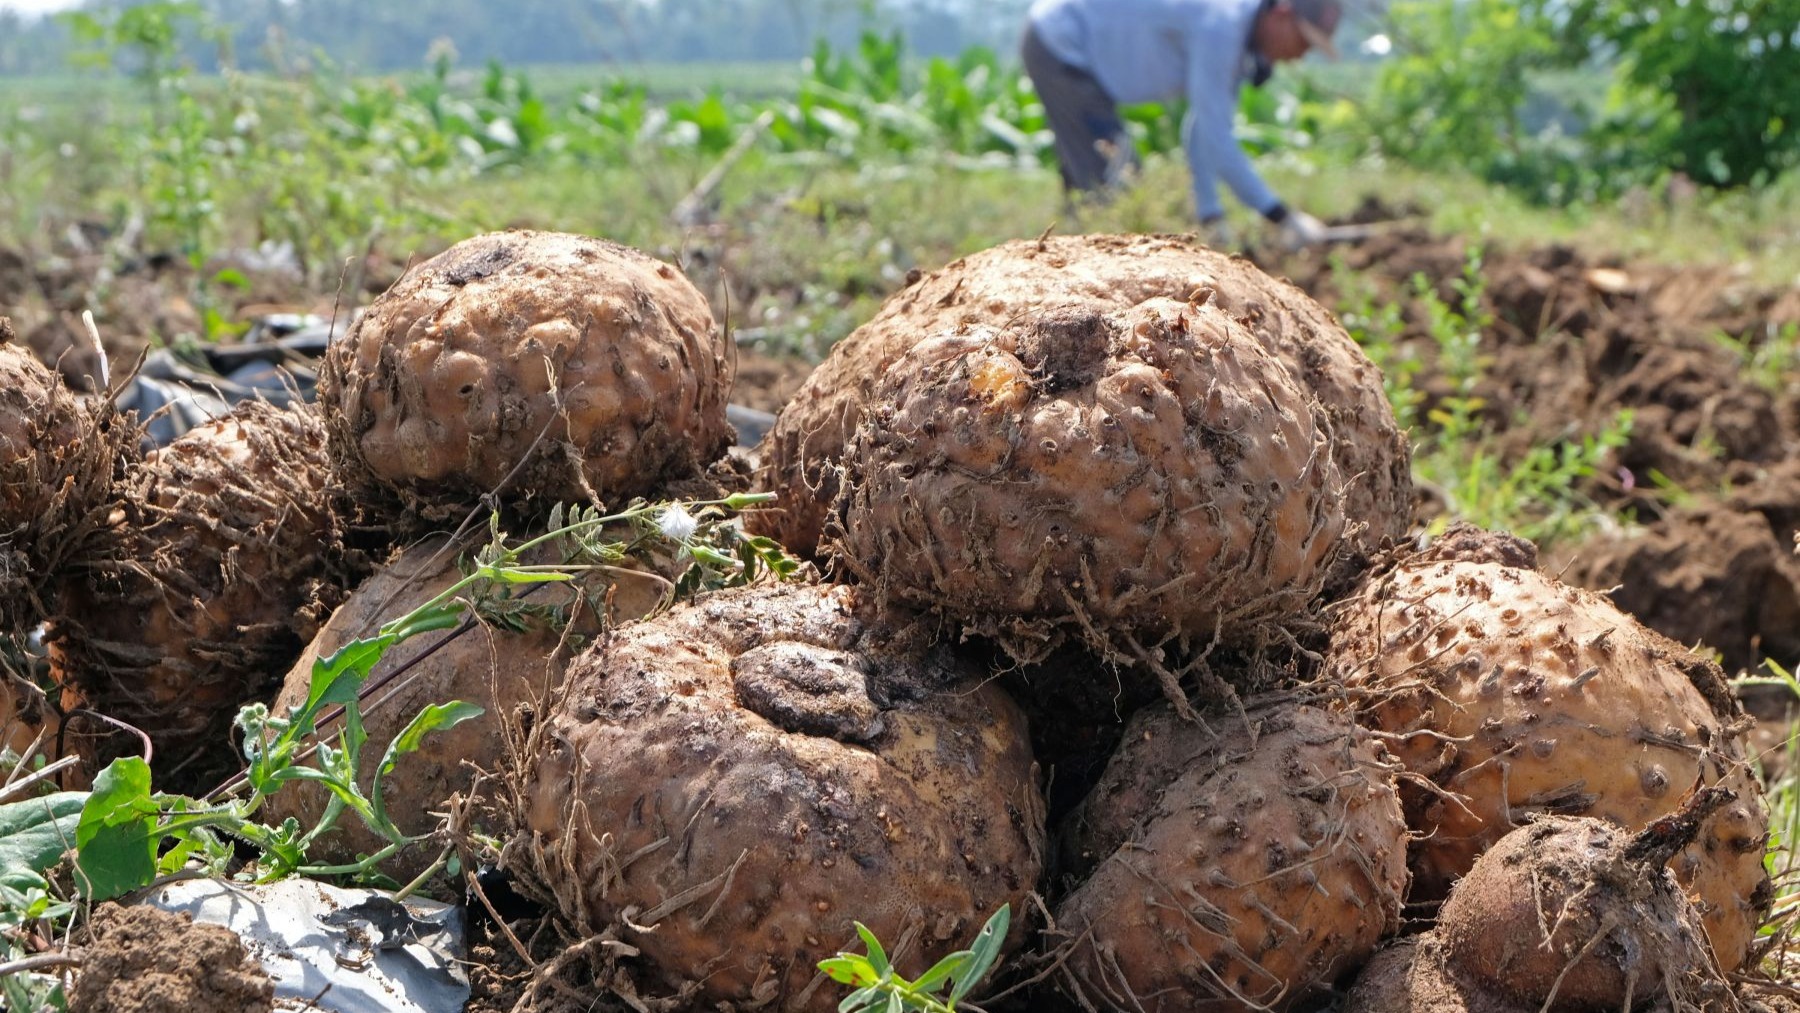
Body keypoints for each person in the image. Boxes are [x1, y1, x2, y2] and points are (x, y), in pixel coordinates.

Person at [1022, 0, 1339, 249]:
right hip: (1060, 42)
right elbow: (1218, 138)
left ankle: (1070, 260)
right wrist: (1280, 216)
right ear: (1282, 14)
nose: (1300, 55)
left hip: (1069, 48)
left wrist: (1210, 214)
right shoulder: (1222, 27)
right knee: (1116, 182)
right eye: (1304, 41)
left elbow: (1203, 127)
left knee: (1103, 180)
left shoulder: (1234, 29)